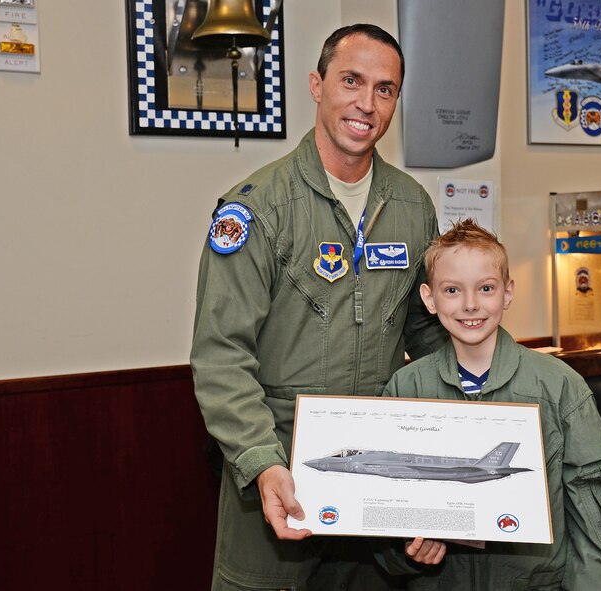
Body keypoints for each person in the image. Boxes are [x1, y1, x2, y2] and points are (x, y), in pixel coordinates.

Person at [190, 23, 447, 591]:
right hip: (276, 476)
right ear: (316, 84)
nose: (366, 102)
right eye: (351, 80)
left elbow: (430, 341)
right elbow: (220, 355)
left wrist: (446, 461)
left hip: (376, 477)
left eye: (385, 89)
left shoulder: (412, 207)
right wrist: (261, 460)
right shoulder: (255, 209)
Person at [378, 219, 601, 590]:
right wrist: (406, 547)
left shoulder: (558, 385)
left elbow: (599, 515)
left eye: (486, 288)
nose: (470, 304)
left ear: (507, 293)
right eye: (452, 290)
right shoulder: (406, 388)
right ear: (429, 299)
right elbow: (381, 511)